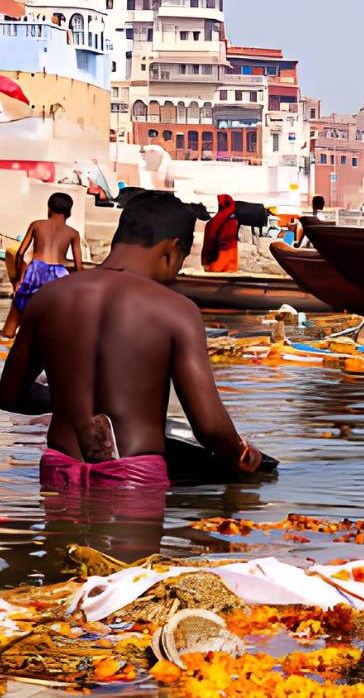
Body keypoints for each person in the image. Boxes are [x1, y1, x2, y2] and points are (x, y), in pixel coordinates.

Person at [0, 191, 262, 490]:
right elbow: (209, 427)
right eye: (180, 262)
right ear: (172, 251)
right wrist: (244, 455)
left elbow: (9, 395)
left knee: (62, 537)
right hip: (132, 481)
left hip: (60, 472)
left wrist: (63, 399)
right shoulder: (176, 310)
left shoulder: (48, 297)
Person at [2, 192, 84, 340]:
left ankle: (8, 334)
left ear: (48, 208)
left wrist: (18, 279)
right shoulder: (73, 233)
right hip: (59, 273)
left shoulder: (37, 224)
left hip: (36, 270)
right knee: (55, 319)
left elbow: (20, 252)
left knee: (18, 308)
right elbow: (79, 265)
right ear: (69, 213)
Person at [201, 193, 239, 272]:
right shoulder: (232, 217)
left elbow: (209, 237)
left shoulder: (216, 220)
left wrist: (205, 260)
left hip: (219, 256)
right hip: (230, 254)